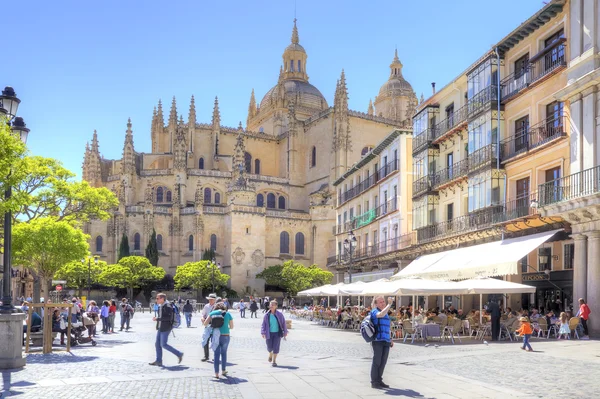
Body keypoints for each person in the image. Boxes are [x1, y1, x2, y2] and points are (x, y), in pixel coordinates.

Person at [150, 293, 184, 367]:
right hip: (160, 327)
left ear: (162, 299)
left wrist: (157, 319)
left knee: (163, 344)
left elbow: (168, 318)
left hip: (166, 327)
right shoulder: (161, 305)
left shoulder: (167, 306)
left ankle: (179, 354)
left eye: (157, 298)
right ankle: (158, 361)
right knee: (157, 344)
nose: (156, 300)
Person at [204, 302, 234, 379]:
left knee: (216, 354)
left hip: (215, 336)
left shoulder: (212, 313)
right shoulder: (228, 314)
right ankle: (223, 370)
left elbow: (205, 323)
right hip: (226, 336)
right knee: (224, 353)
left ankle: (216, 373)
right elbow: (232, 327)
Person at [370, 296, 394, 389]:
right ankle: (374, 382)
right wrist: (389, 305)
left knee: (383, 362)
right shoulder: (374, 311)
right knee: (377, 361)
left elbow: (387, 327)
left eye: (383, 301)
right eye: (380, 302)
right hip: (377, 340)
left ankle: (379, 380)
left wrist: (390, 339)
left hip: (386, 340)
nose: (383, 303)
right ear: (376, 304)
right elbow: (380, 315)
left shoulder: (386, 313)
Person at [261, 300, 288, 367]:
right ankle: (270, 353)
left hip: (277, 333)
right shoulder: (267, 315)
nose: (271, 306)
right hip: (269, 333)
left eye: (273, 305)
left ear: (276, 306)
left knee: (276, 347)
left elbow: (283, 323)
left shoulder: (280, 315)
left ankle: (274, 361)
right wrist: (263, 332)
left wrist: (285, 331)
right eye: (270, 304)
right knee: (269, 347)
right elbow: (263, 324)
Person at [201, 293, 217, 362]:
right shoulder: (206, 306)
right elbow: (203, 315)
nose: (210, 301)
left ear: (214, 300)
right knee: (205, 340)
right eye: (209, 299)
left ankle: (215, 356)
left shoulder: (217, 306)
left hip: (215, 325)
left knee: (214, 341)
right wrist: (202, 319)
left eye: (211, 300)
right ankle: (206, 356)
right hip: (207, 325)